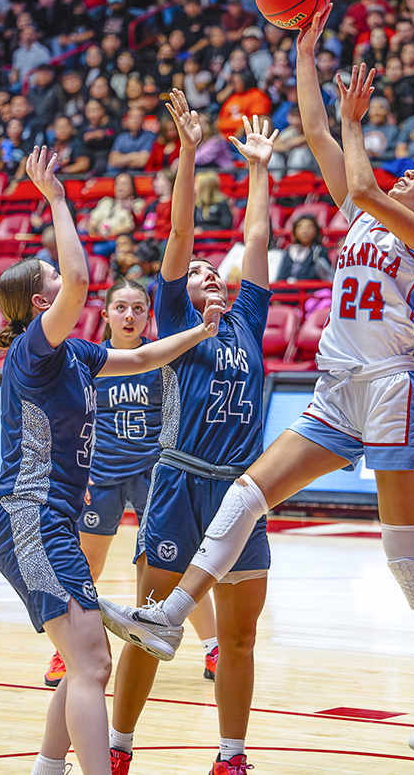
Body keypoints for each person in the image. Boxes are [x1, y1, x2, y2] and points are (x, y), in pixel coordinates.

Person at [98, 12, 414, 756]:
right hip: (336, 385)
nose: (409, 177)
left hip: (394, 385)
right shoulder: (372, 217)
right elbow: (314, 135)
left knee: (402, 551)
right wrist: (303, 53)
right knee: (247, 492)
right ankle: (171, 615)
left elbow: (364, 182)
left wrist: (355, 119)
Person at [0, 146, 223, 775]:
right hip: (29, 517)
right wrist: (58, 199)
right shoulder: (36, 351)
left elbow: (144, 358)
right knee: (92, 661)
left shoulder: (74, 354)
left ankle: (47, 767)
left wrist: (200, 333)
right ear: (40, 304)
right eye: (51, 280)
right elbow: (85, 280)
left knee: (85, 657)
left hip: (48, 520)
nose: (63, 283)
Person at [102, 91, 278, 775]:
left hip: (241, 493)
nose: (206, 272)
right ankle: (119, 749)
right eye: (198, 271)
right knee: (148, 628)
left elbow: (256, 239)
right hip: (178, 483)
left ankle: (231, 756)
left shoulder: (248, 320)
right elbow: (179, 237)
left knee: (237, 636)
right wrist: (185, 152)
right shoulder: (176, 317)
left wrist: (258, 167)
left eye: (214, 270)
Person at [44, 278, 218, 689]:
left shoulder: (162, 358)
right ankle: (68, 647)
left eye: (138, 308)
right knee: (86, 564)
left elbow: (182, 418)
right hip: (100, 475)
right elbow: (67, 423)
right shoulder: (88, 361)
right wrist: (71, 474)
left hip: (154, 477)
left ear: (148, 314)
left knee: (173, 565)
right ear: (104, 314)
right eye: (120, 307)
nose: (130, 315)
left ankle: (214, 646)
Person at [277, 214, 333, 283]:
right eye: (300, 227)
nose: (304, 231)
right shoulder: (289, 249)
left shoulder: (319, 250)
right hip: (288, 290)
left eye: (309, 227)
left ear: (316, 230)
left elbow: (322, 276)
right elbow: (282, 274)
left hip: (312, 290)